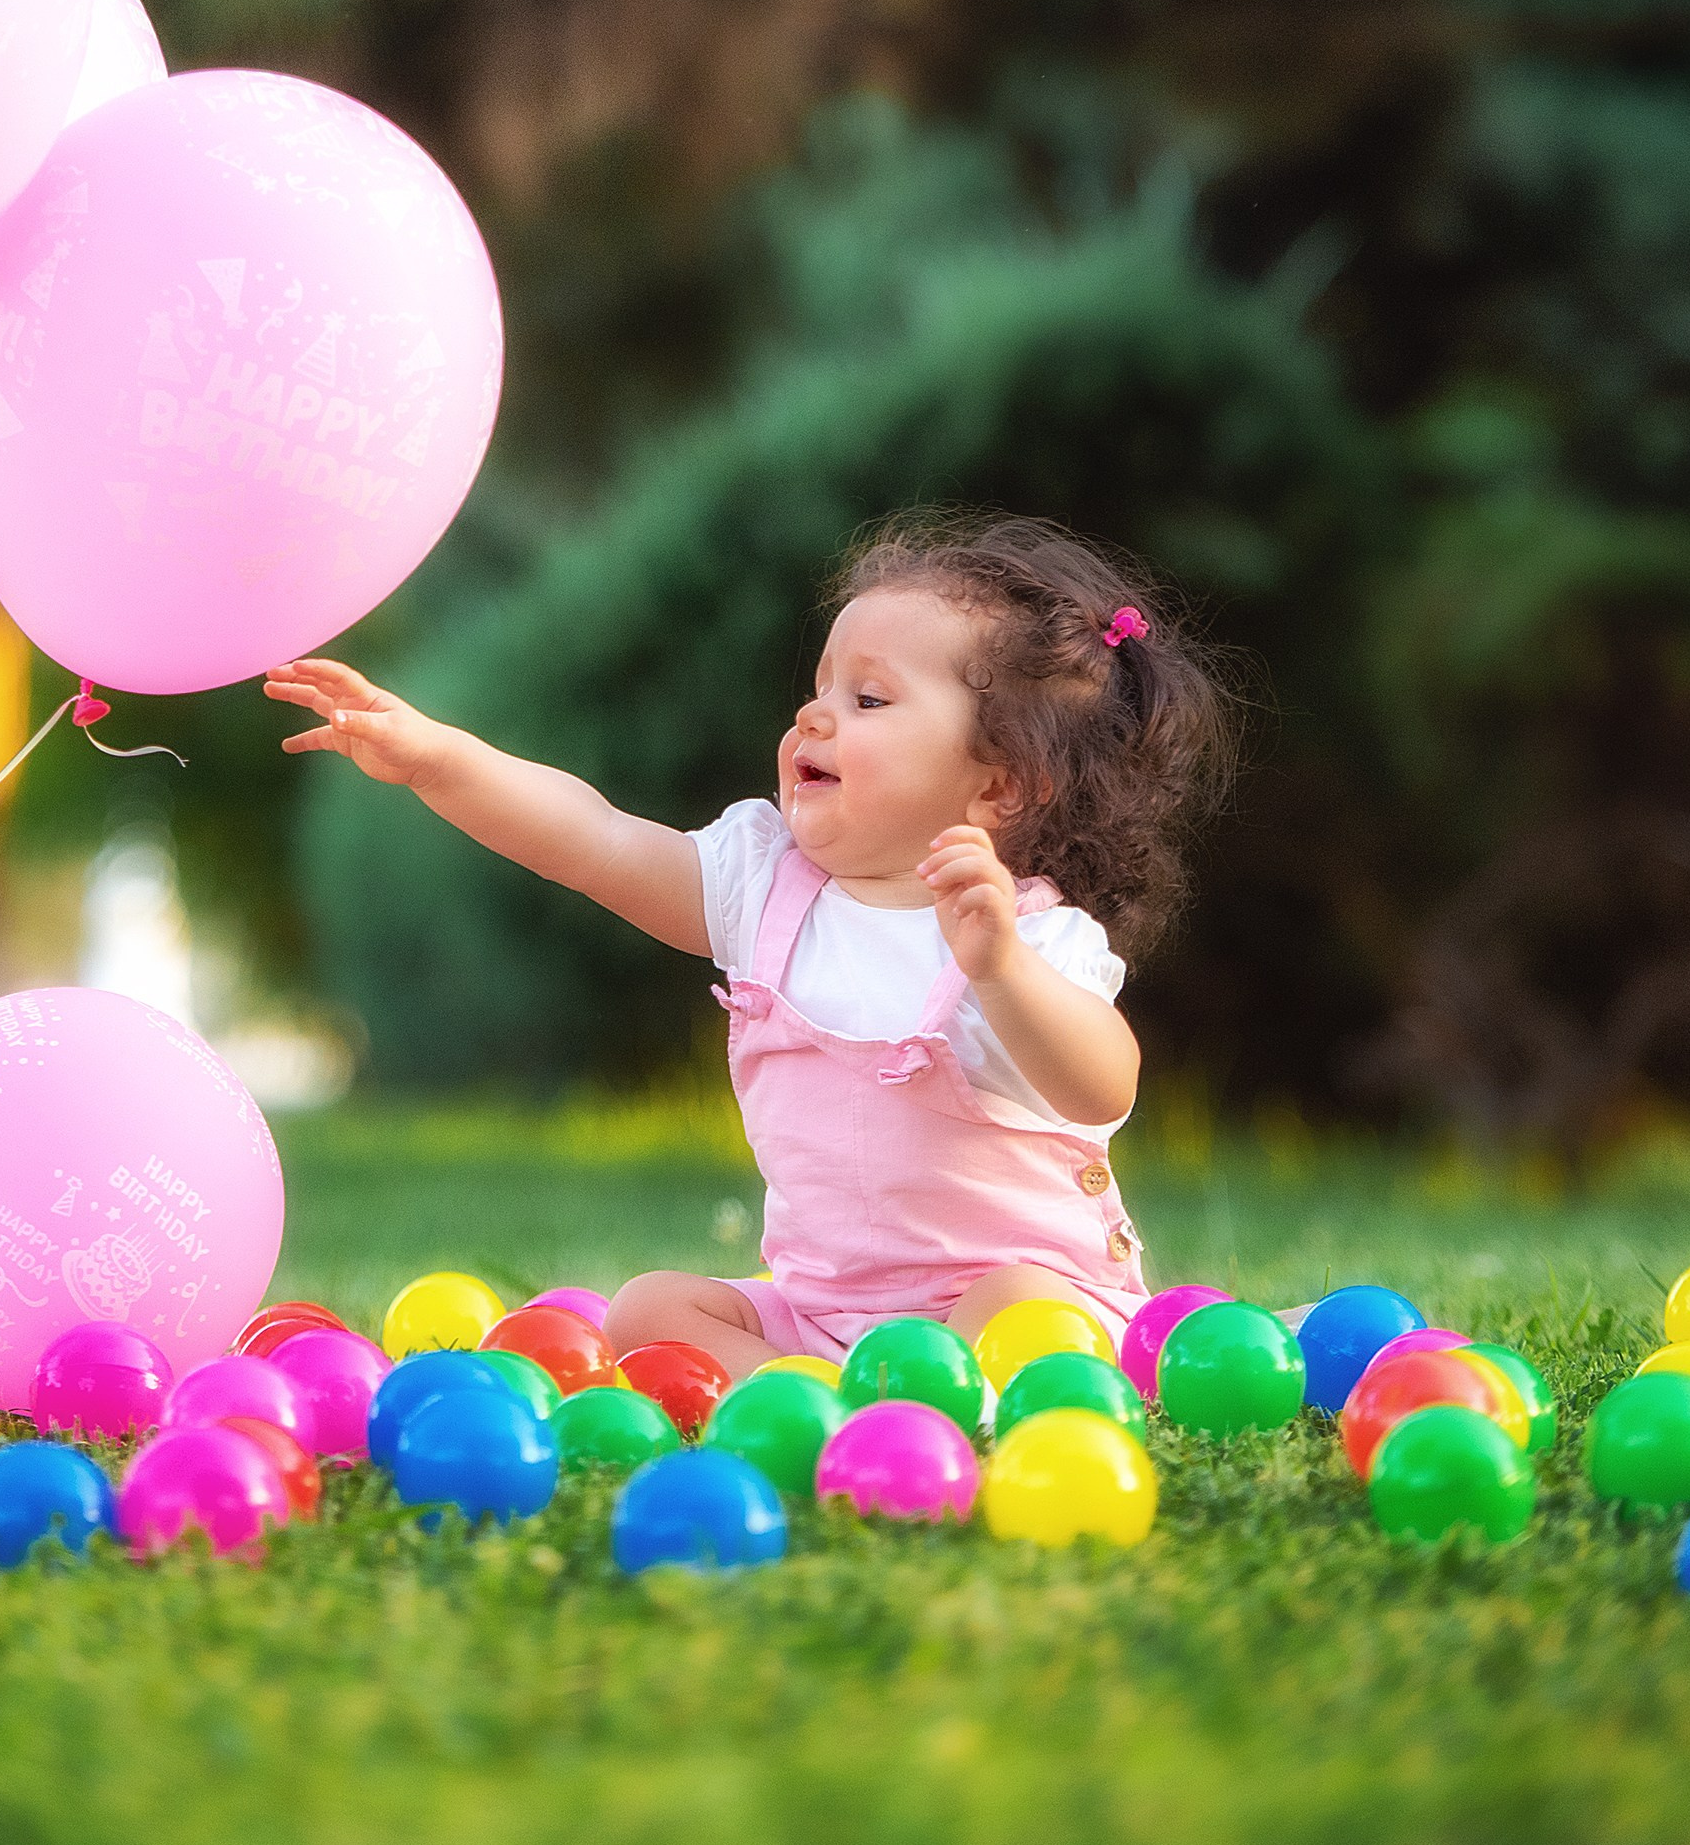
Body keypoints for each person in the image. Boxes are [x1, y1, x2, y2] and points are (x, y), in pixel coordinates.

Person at [265, 511, 1236, 1379]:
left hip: (1018, 1317)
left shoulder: (1023, 934)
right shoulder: (762, 883)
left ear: (998, 787)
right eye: (819, 688)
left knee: (1011, 1312)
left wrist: (1002, 972)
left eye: (869, 700)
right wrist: (442, 759)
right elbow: (594, 839)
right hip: (820, 1318)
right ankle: (814, 1397)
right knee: (650, 1311)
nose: (813, 716)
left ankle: (906, 1397)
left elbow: (1103, 1085)